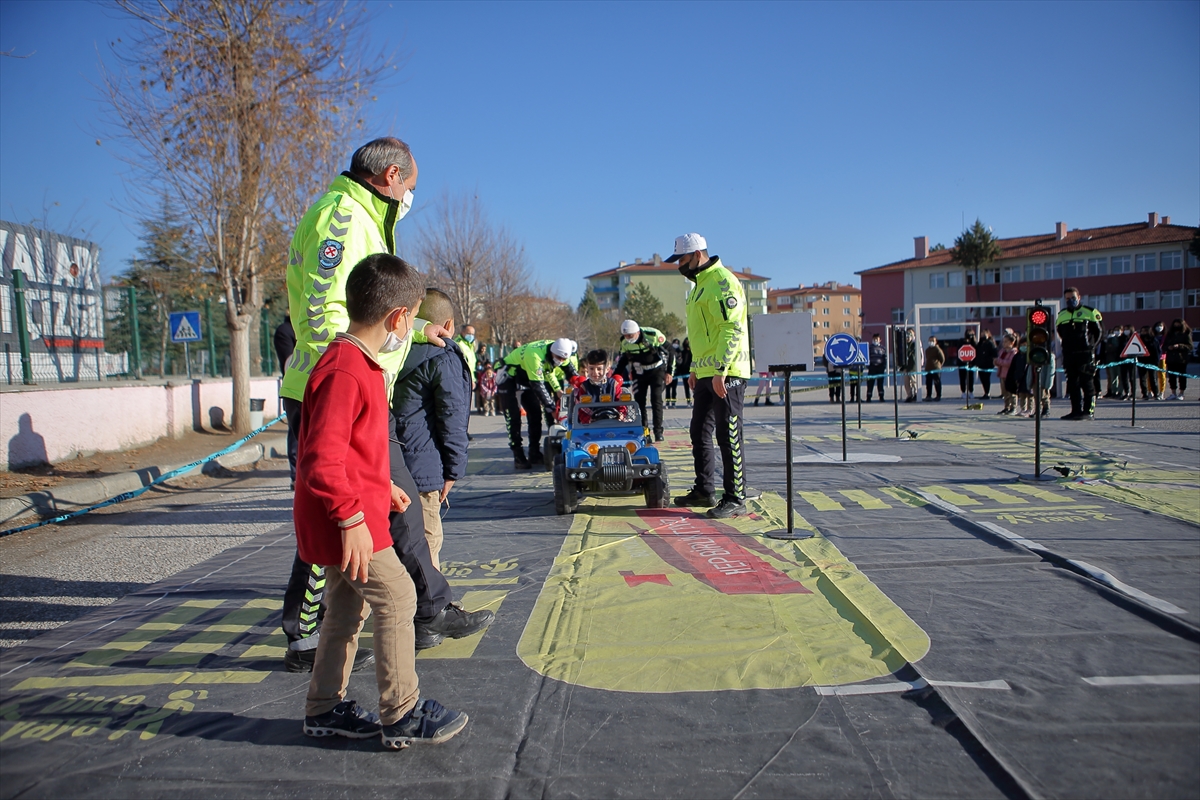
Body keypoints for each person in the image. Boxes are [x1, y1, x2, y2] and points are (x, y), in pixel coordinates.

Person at [280, 137, 489, 668]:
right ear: (391, 175)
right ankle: (310, 633)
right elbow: (332, 313)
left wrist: (417, 330)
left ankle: (428, 608)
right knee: (334, 513)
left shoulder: (361, 216)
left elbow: (374, 310)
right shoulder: (343, 219)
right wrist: (353, 377)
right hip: (337, 393)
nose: (411, 198)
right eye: (411, 187)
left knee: (395, 510)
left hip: (356, 388)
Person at [295, 253, 468, 751]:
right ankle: (402, 712)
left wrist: (381, 486)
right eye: (412, 319)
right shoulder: (345, 370)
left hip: (355, 512)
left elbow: (355, 450)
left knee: (347, 611)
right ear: (398, 318)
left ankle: (324, 708)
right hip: (346, 522)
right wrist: (351, 516)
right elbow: (322, 461)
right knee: (398, 598)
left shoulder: (360, 364)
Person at [666, 233, 751, 519]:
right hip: (705, 371)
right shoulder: (699, 286)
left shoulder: (722, 282)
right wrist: (693, 368)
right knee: (699, 430)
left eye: (682, 258)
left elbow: (732, 328)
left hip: (727, 372)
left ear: (697, 254)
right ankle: (705, 489)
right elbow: (701, 336)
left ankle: (736, 496)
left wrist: (721, 371)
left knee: (728, 434)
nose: (680, 264)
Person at [391, 289, 471, 572]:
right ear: (448, 325)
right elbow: (452, 417)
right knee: (426, 545)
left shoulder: (391, 348)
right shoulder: (443, 355)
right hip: (423, 470)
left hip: (387, 463)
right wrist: (453, 470)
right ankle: (430, 611)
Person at [498, 338, 574, 468]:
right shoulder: (535, 355)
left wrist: (578, 385)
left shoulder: (556, 349)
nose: (560, 361)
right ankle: (518, 455)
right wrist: (551, 408)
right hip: (510, 379)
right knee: (514, 418)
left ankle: (534, 452)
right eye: (559, 358)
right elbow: (538, 386)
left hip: (527, 379)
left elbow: (569, 373)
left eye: (563, 359)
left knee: (535, 415)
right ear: (552, 352)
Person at [614, 320, 672, 441]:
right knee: (639, 401)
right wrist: (615, 377)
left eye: (630, 335)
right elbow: (623, 361)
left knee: (656, 399)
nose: (628, 338)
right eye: (626, 336)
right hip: (639, 372)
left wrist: (669, 372)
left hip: (657, 369)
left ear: (637, 332)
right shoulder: (624, 342)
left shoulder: (653, 335)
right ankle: (644, 431)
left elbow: (671, 351)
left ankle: (658, 431)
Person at [1055, 287, 1102, 420]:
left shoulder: (1090, 312)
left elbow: (1099, 332)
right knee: (1072, 383)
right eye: (1068, 299)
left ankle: (1088, 411)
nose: (1070, 301)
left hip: (1085, 354)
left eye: (1073, 298)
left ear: (1079, 297)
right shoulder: (1062, 314)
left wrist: (1091, 347)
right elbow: (1060, 333)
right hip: (1069, 354)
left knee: (1086, 382)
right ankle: (1075, 410)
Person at [572, 349, 633, 424]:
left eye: (599, 369)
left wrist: (621, 414)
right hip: (591, 425)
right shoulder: (584, 387)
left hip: (613, 423)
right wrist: (588, 420)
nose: (595, 372)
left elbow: (621, 405)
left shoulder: (613, 385)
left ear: (607, 369)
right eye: (591, 368)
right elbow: (581, 410)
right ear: (587, 368)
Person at [273, 316, 298, 482]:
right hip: (296, 389)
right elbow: (288, 362)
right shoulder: (285, 331)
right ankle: (296, 475)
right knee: (296, 434)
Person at [1163, 319, 1192, 400]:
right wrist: (1168, 347)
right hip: (1171, 359)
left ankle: (1181, 393)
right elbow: (1164, 346)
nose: (1176, 326)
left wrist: (1179, 346)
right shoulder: (1170, 334)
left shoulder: (1186, 333)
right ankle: (1173, 393)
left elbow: (1190, 346)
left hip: (1181, 359)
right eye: (1175, 324)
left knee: (1182, 376)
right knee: (1171, 377)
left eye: (1178, 325)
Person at [1137, 325, 1161, 400]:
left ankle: (1156, 394)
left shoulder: (1154, 340)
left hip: (1152, 361)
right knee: (1142, 378)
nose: (1144, 333)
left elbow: (1157, 351)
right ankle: (1145, 394)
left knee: (1153, 378)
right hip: (1141, 361)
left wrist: (1156, 362)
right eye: (1142, 331)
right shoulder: (1139, 340)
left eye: (1145, 331)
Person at [995, 334, 1017, 415]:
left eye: (1006, 342)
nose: (1004, 343)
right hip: (1002, 374)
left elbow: (1009, 363)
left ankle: (1013, 407)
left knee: (1011, 392)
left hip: (1010, 375)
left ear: (1012, 342)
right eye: (1003, 342)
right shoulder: (1002, 352)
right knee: (1005, 393)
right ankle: (1006, 407)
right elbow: (998, 361)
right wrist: (996, 361)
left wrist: (999, 361)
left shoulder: (1014, 352)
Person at [975, 330, 997, 400]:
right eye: (982, 334)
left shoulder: (990, 343)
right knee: (982, 379)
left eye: (984, 334)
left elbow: (994, 353)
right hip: (981, 365)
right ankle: (985, 392)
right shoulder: (980, 343)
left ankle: (987, 393)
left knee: (986, 379)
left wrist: (992, 361)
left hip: (988, 364)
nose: (983, 336)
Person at [957, 329, 978, 402]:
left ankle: (971, 391)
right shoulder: (961, 341)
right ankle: (963, 392)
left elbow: (976, 352)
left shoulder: (974, 343)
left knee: (970, 378)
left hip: (971, 364)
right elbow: (959, 350)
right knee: (962, 378)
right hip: (962, 364)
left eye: (971, 334)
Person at [1102, 327, 1123, 398]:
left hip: (1120, 361)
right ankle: (1114, 391)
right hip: (1111, 361)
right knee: (1113, 377)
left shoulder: (1122, 339)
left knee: (1120, 377)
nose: (1116, 332)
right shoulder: (1110, 340)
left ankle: (1121, 391)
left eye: (1118, 330)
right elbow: (1107, 349)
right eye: (1115, 330)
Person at [866, 333, 887, 401]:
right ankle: (869, 397)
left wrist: (884, 366)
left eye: (877, 339)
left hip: (880, 368)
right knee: (870, 383)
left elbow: (885, 358)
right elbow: (867, 357)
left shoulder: (883, 348)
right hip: (872, 368)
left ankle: (881, 396)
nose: (875, 340)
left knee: (880, 383)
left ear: (880, 340)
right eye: (874, 339)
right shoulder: (870, 348)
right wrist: (868, 366)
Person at [900, 328, 918, 402]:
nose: (907, 338)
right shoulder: (903, 345)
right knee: (906, 382)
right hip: (905, 367)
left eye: (909, 337)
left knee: (914, 381)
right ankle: (909, 395)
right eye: (906, 337)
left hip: (912, 366)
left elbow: (915, 355)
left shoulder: (915, 344)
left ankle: (916, 394)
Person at [924, 336, 944, 401]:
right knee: (928, 383)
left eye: (932, 341)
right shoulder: (927, 350)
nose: (931, 342)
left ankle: (938, 395)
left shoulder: (937, 349)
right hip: (928, 368)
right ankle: (928, 395)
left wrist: (939, 365)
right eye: (930, 341)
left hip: (936, 369)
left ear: (935, 342)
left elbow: (942, 358)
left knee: (937, 382)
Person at [674, 338, 693, 408]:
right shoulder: (691, 352)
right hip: (689, 372)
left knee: (687, 388)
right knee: (693, 388)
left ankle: (689, 401)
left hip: (686, 372)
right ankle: (690, 401)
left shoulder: (683, 353)